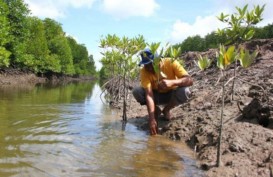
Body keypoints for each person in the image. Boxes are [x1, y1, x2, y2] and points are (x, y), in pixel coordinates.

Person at [132, 48, 193, 135]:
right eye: (146, 65)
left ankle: (166, 110)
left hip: (171, 95)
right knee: (137, 91)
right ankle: (156, 111)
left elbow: (190, 80)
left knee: (185, 91)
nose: (148, 68)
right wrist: (152, 119)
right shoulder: (144, 71)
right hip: (155, 96)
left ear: (158, 60)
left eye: (151, 64)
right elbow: (149, 95)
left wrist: (172, 82)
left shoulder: (171, 62)